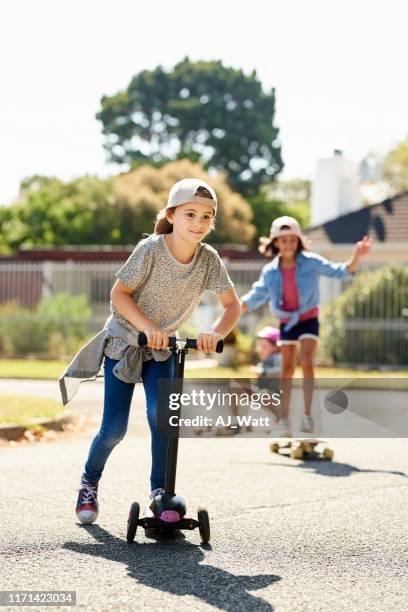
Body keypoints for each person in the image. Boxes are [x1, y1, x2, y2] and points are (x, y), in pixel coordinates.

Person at [59, 178, 241, 524]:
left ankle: (160, 492)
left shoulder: (208, 260)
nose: (199, 223)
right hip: (126, 342)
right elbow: (119, 294)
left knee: (163, 419)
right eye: (191, 214)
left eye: (207, 217)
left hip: (163, 347)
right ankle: (89, 482)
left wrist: (214, 333)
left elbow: (233, 306)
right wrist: (147, 327)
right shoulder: (151, 250)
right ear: (171, 215)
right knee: (114, 428)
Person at [240, 215, 372, 437]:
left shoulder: (311, 261)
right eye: (283, 240)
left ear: (298, 241)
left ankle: (308, 416)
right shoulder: (270, 271)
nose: (288, 244)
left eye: (292, 240)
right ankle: (283, 421)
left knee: (308, 361)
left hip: (308, 318)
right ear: (275, 243)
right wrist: (234, 307)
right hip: (287, 321)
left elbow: (340, 271)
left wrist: (356, 256)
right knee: (288, 369)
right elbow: (255, 296)